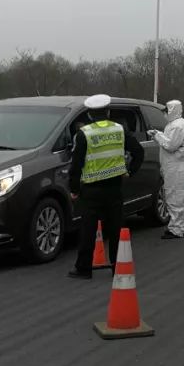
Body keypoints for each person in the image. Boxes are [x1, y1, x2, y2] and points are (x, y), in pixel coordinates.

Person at [68, 94, 145, 279]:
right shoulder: (119, 130)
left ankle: (83, 268)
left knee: (88, 229)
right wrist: (129, 171)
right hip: (114, 188)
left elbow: (76, 164)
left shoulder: (84, 134)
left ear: (89, 115)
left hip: (91, 190)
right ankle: (117, 266)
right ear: (108, 112)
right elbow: (138, 151)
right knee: (116, 229)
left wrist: (74, 189)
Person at [148, 99, 184, 239]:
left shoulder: (177, 126)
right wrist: (159, 135)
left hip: (175, 167)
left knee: (175, 197)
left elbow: (170, 145)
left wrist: (157, 135)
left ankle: (176, 229)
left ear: (172, 111)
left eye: (166, 111)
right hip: (173, 166)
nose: (165, 114)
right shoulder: (175, 124)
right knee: (175, 196)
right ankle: (177, 226)